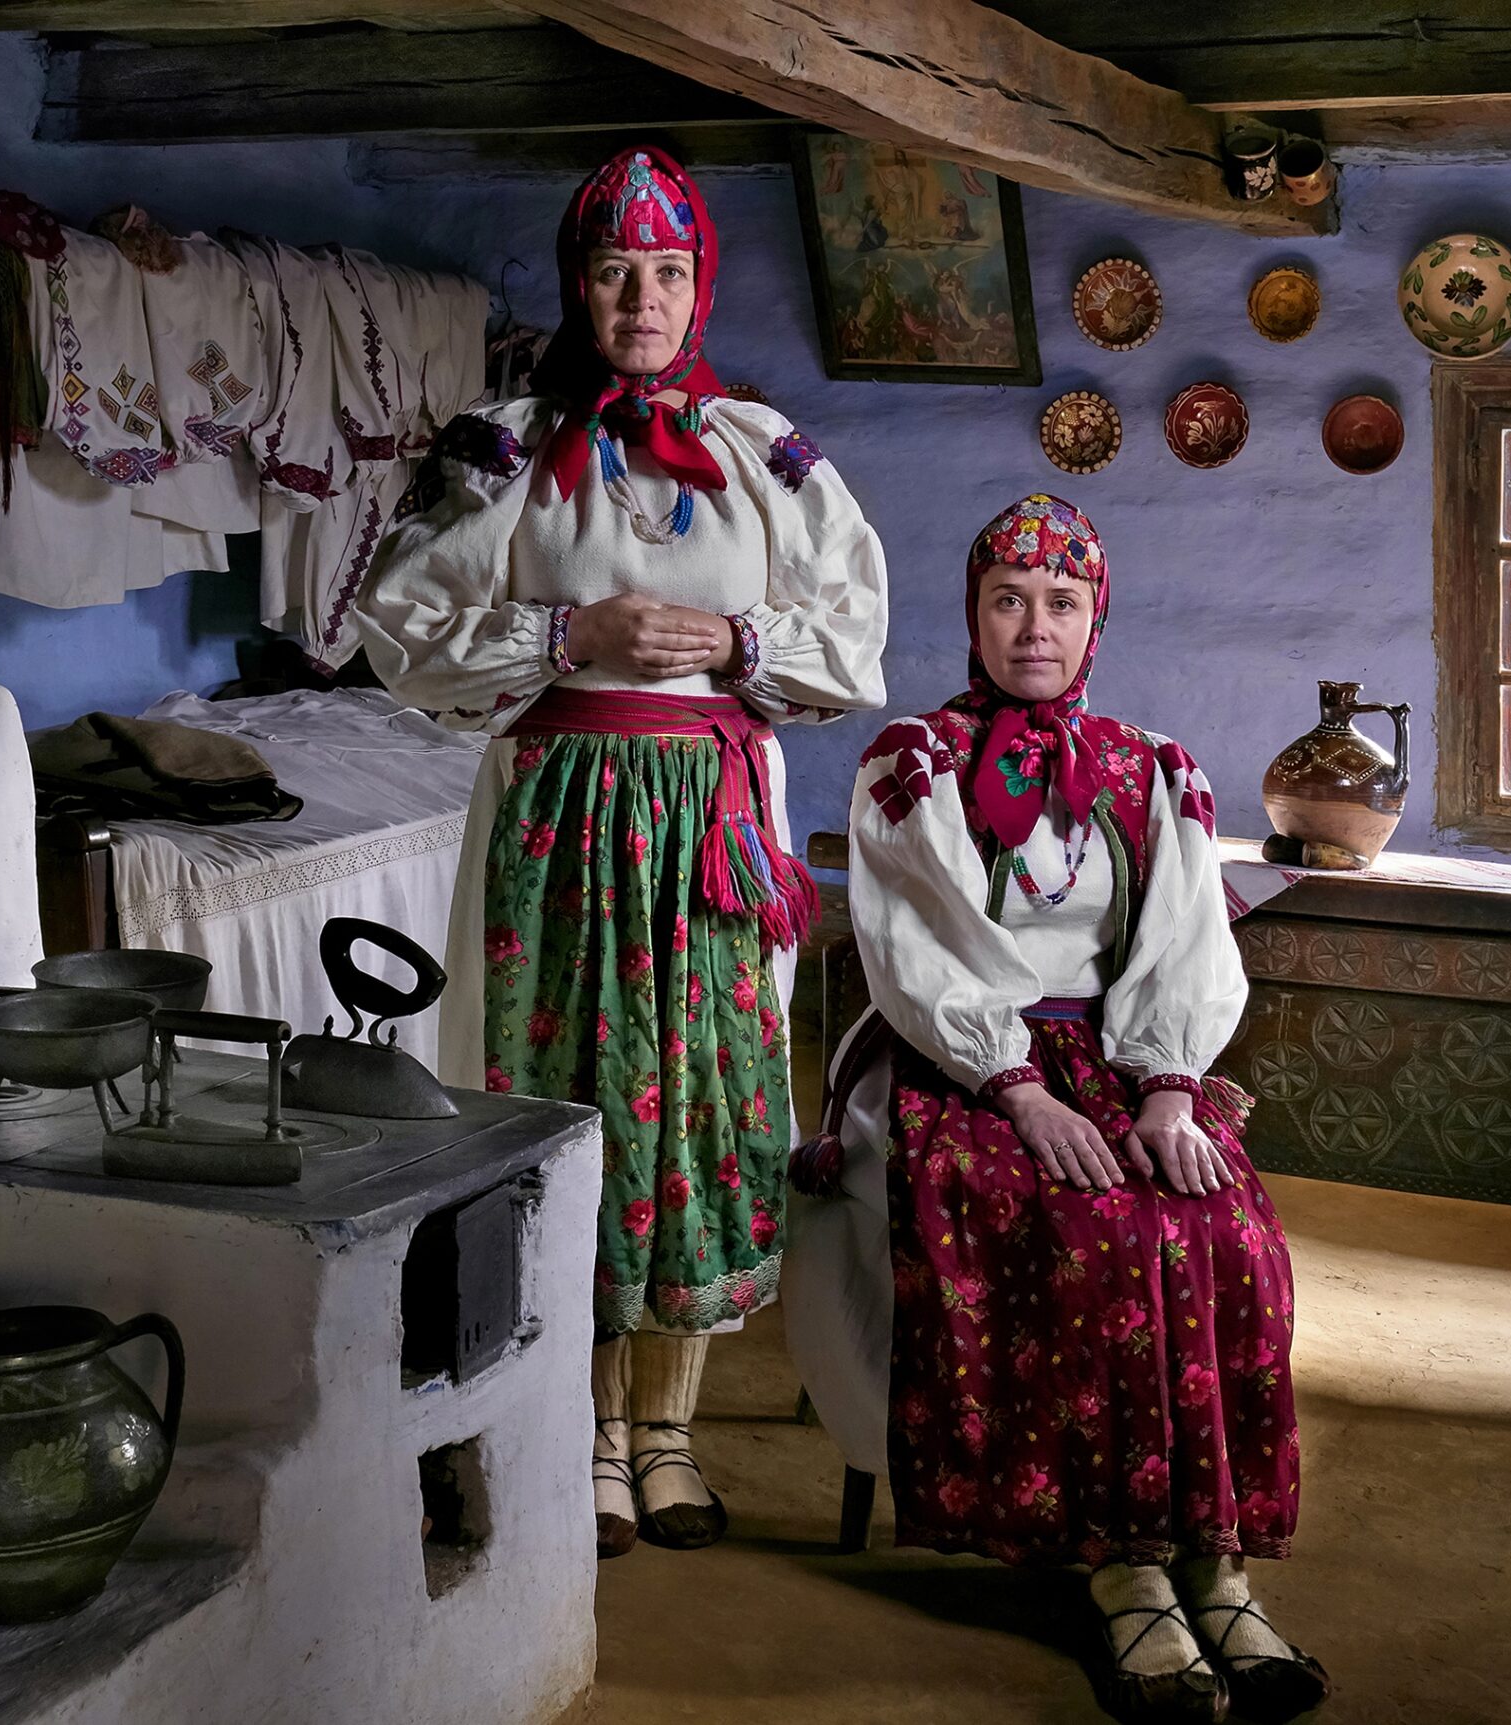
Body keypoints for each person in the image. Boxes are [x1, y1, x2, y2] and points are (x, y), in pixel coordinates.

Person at [358, 147, 888, 1561]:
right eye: (612, 272)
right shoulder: (504, 449)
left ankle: (668, 1435)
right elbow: (397, 629)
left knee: (703, 1101)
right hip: (557, 817)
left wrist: (738, 641)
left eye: (665, 272)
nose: (640, 300)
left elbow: (856, 637)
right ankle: (586, 1431)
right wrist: (567, 633)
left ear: (698, 286)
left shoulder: (763, 452)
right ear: (577, 286)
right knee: (572, 1095)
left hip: (712, 823)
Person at [791, 496, 1326, 1722]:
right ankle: (1120, 1566)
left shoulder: (1152, 767)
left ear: (1096, 621)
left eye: (1061, 602)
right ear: (972, 616)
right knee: (1087, 1228)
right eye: (1008, 601)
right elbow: (919, 950)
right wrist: (1019, 1090)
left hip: (1121, 1057)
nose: (1034, 628)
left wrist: (1170, 1090)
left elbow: (1184, 941)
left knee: (1228, 1229)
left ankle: (1216, 1563)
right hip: (957, 1057)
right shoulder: (915, 762)